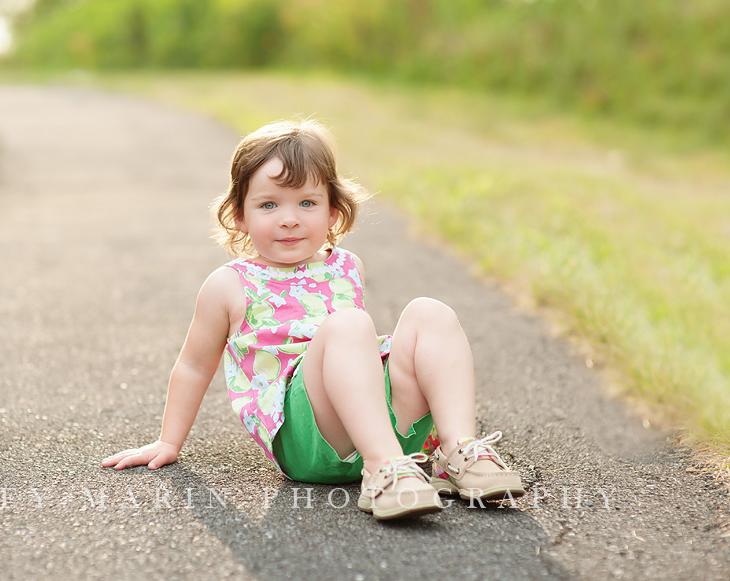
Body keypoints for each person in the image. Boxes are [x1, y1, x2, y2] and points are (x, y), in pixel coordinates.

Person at [102, 120, 525, 520]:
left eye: (307, 203)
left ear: (334, 212)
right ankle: (383, 469)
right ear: (239, 215)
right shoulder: (229, 285)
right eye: (269, 204)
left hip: (384, 428)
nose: (289, 218)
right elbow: (194, 365)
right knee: (350, 325)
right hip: (307, 441)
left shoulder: (347, 266)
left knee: (430, 313)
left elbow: (361, 363)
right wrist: (168, 442)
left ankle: (457, 451)